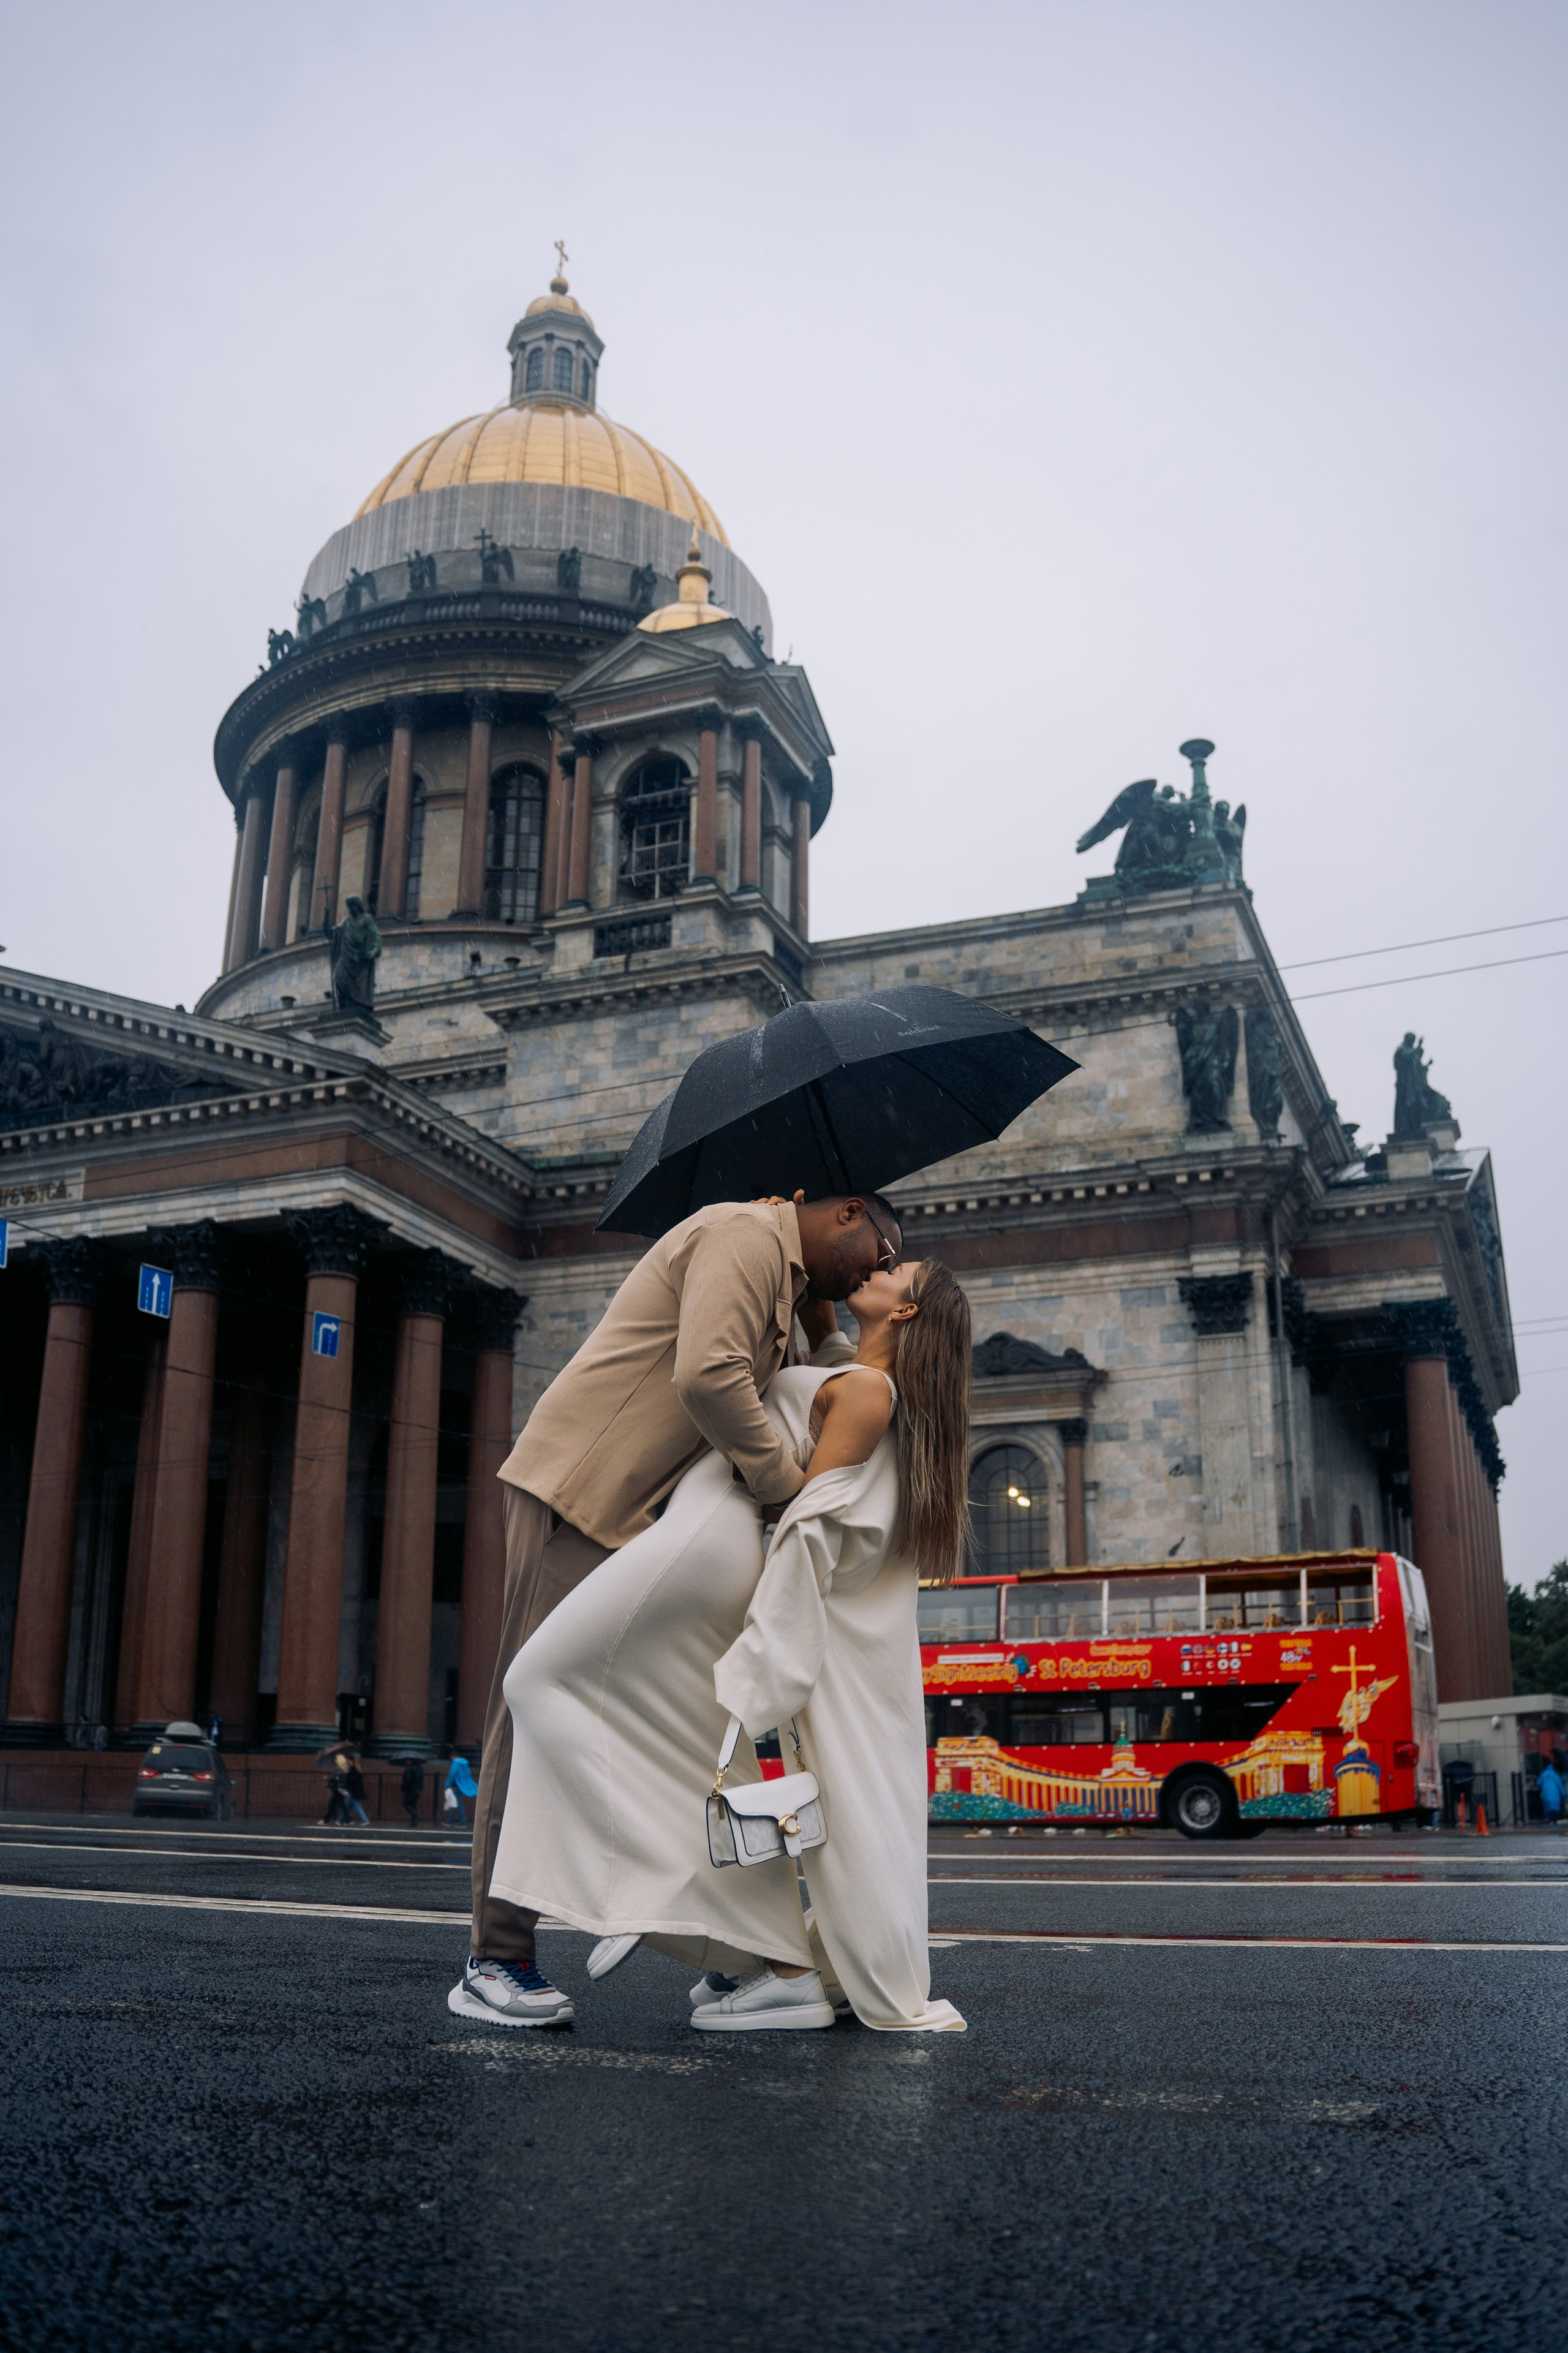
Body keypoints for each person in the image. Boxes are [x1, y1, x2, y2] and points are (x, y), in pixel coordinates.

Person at [450, 1189, 899, 2029]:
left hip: (659, 1522)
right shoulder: (742, 1235)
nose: (881, 1260)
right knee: (530, 1703)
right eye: (883, 1238)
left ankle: (730, 1945)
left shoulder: (790, 1275)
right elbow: (709, 1375)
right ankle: (495, 1954)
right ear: (844, 1211)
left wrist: (830, 1309)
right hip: (588, 1492)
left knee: (686, 1732)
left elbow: (825, 1369)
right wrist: (783, 1488)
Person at [445, 1750, 478, 1826]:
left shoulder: (455, 1763)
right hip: (463, 1785)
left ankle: (463, 1822)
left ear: (453, 1756)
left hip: (456, 1785)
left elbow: (452, 1774)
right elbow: (468, 1775)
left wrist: (447, 1784)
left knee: (458, 1803)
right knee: (455, 1803)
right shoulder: (465, 1763)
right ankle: (450, 1821)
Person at [341, 1754, 370, 1827]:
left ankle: (365, 1819)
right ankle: (340, 1819)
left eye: (348, 1761)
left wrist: (346, 1774)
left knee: (356, 1805)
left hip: (354, 1791)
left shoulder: (353, 1770)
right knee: (348, 1805)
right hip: (356, 1790)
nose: (347, 1763)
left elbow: (351, 1781)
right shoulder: (356, 1769)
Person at [1537, 1759, 1564, 1829]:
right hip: (1556, 1796)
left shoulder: (1543, 1775)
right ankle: (1557, 1820)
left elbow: (1538, 1784)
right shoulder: (1555, 1775)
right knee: (1556, 1807)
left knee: (1548, 1808)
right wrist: (1564, 1794)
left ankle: (1551, 1820)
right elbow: (1560, 1786)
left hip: (1546, 1795)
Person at [401, 1757, 426, 1829]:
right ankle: (414, 1822)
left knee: (406, 1804)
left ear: (410, 1761)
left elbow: (407, 1780)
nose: (406, 1762)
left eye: (407, 1760)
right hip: (418, 1789)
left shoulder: (409, 1768)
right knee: (413, 1805)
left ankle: (416, 1816)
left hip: (410, 1789)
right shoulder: (419, 1768)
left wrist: (404, 1787)